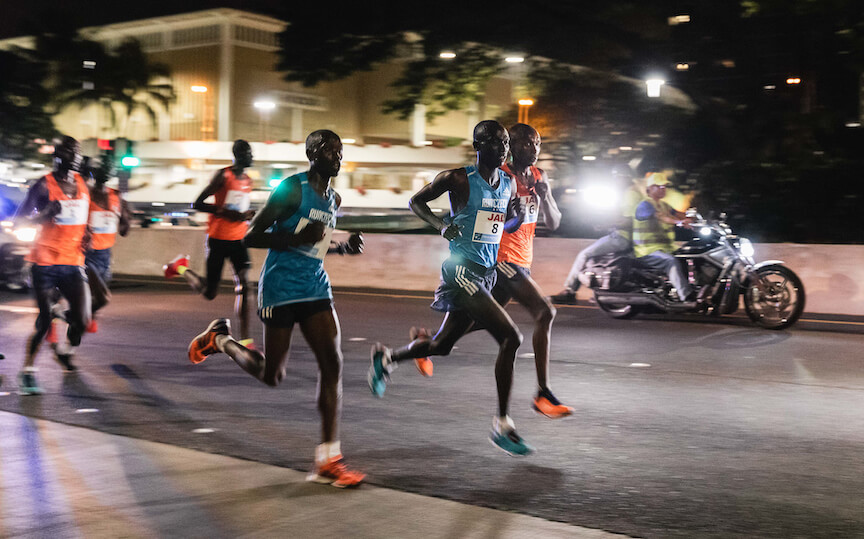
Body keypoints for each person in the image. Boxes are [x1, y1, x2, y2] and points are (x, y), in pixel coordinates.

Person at [185, 130, 366, 488]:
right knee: (273, 375)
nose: (338, 156)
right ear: (313, 154)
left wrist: (342, 248)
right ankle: (220, 339)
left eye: (340, 151)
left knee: (333, 364)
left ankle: (328, 458)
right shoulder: (291, 190)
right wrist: (295, 238)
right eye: (330, 150)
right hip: (281, 288)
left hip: (315, 286)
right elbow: (251, 235)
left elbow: (317, 243)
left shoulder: (335, 198)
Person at [368, 120, 537, 457]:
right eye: (498, 141)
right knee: (512, 337)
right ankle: (502, 425)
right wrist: (441, 225)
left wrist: (515, 217)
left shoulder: (506, 182)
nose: (505, 147)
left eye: (506, 142)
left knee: (443, 346)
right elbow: (415, 203)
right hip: (460, 272)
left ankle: (387, 357)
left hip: (487, 272)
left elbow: (500, 224)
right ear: (480, 145)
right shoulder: (458, 179)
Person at [407, 124, 573, 419]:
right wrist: (447, 227)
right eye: (526, 143)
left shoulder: (538, 178)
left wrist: (545, 196)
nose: (534, 149)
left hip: (522, 260)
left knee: (475, 323)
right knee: (544, 313)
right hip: (500, 260)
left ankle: (427, 343)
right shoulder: (500, 177)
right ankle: (542, 394)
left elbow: (555, 222)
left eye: (538, 143)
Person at [14, 136, 91, 394]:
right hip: (45, 262)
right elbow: (19, 222)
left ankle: (63, 336)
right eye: (71, 151)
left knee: (82, 318)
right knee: (44, 320)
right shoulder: (43, 186)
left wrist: (87, 233)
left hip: (73, 262)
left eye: (78, 151)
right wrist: (45, 213)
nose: (77, 156)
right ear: (58, 156)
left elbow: (82, 218)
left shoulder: (82, 183)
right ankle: (28, 371)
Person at [164, 139, 256, 345]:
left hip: (239, 239)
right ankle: (180, 268)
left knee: (245, 285)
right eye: (247, 153)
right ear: (237, 155)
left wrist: (246, 215)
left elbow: (239, 208)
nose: (252, 157)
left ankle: (246, 341)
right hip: (218, 238)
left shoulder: (249, 181)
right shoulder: (224, 175)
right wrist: (224, 212)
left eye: (251, 153)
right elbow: (197, 203)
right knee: (209, 293)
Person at [550, 169, 646, 304]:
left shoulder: (631, 194)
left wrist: (606, 224)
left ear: (624, 177)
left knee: (584, 255)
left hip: (622, 238)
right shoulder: (637, 192)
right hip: (634, 239)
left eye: (617, 177)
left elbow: (629, 221)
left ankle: (569, 291)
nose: (616, 181)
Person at [82, 154, 131, 332]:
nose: (106, 170)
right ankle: (67, 317)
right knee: (101, 297)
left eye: (109, 167)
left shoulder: (117, 197)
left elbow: (124, 231)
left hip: (105, 255)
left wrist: (124, 217)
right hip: (85, 254)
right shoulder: (85, 193)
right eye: (102, 166)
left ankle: (72, 336)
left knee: (94, 300)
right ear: (95, 171)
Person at [633, 173, 694, 302]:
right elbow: (660, 217)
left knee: (689, 256)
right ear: (650, 188)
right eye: (659, 186)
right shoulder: (645, 205)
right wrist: (678, 222)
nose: (663, 189)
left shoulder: (664, 205)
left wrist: (694, 219)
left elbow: (678, 214)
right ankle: (686, 296)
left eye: (664, 186)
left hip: (665, 248)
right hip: (647, 251)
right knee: (670, 262)